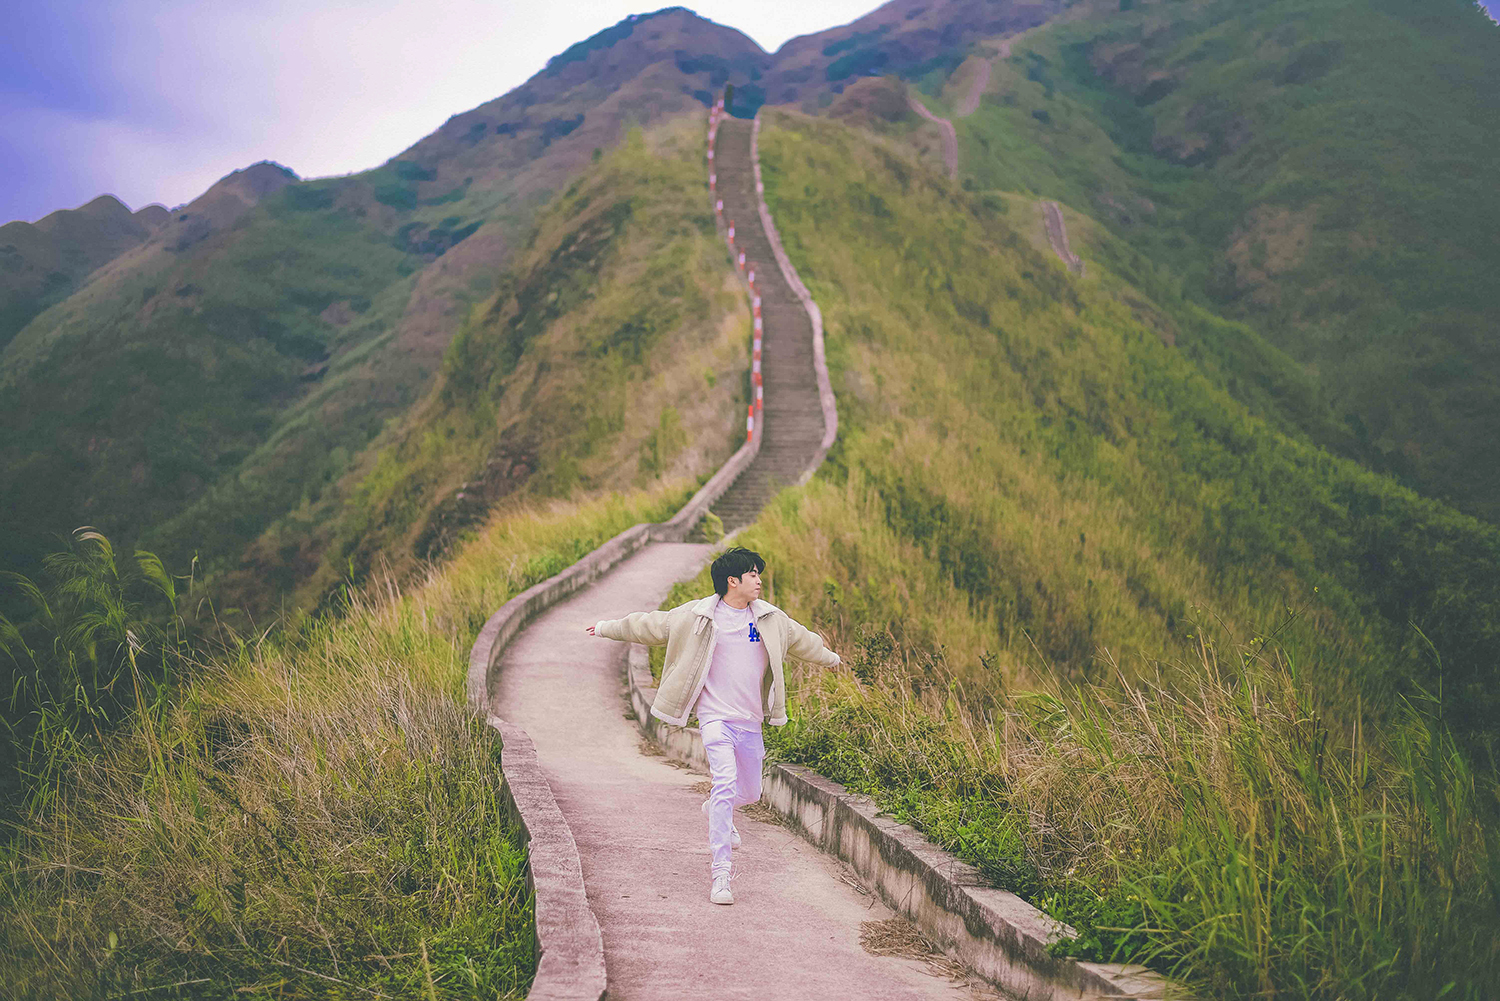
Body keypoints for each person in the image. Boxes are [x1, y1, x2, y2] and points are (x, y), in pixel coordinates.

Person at [585, 547, 840, 905]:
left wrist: (831, 659)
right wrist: (607, 628)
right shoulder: (698, 616)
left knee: (750, 793)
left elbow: (802, 640)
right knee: (724, 782)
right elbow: (650, 624)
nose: (759, 580)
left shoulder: (769, 618)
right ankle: (721, 875)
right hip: (715, 718)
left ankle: (717, 808)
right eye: (752, 574)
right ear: (732, 581)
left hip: (750, 721)